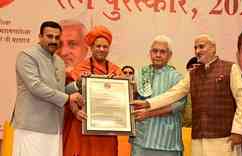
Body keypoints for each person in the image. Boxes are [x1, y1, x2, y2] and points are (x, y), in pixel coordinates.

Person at [132, 34, 242, 156]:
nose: (197, 51)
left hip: (224, 137)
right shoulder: (193, 74)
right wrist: (148, 103)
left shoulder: (230, 68)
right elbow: (174, 93)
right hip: (198, 138)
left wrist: (238, 131)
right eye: (195, 47)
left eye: (201, 47)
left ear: (213, 48)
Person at [12, 21, 83, 156]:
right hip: (32, 128)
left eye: (57, 38)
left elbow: (58, 90)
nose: (53, 40)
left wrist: (78, 84)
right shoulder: (27, 56)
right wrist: (68, 98)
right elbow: (36, 87)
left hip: (54, 128)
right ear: (40, 36)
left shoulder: (59, 62)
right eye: (49, 36)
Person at [63, 25, 123, 156]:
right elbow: (66, 92)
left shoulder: (115, 70)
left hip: (106, 129)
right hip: (82, 126)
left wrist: (117, 85)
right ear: (91, 47)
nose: (101, 49)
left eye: (105, 47)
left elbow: (124, 98)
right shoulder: (80, 68)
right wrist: (75, 111)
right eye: (98, 46)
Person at [131, 35, 186, 156]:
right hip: (142, 140)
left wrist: (149, 113)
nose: (158, 55)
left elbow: (179, 105)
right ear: (150, 53)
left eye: (162, 52)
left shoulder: (176, 77)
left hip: (167, 141)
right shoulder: (141, 73)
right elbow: (131, 100)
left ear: (170, 55)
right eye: (155, 51)